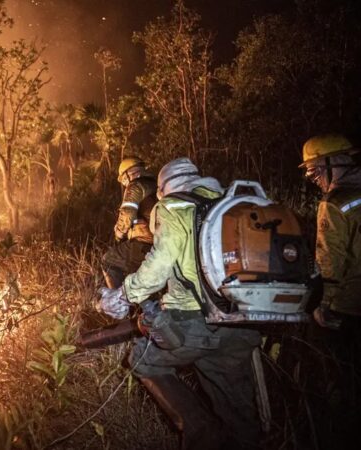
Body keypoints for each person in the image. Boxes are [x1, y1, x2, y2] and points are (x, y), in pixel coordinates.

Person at [97, 157, 261, 450]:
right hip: (243, 320)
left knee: (142, 360)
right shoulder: (229, 205)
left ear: (162, 189)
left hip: (195, 322)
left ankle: (200, 431)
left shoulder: (172, 206)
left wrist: (123, 295)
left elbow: (158, 266)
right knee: (236, 411)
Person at [300, 133, 361, 446]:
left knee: (335, 373)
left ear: (331, 162)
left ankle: (336, 432)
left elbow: (330, 261)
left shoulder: (336, 202)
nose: (314, 179)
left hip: (348, 306)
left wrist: (323, 305)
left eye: (314, 170)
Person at [100, 157, 157, 289]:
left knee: (108, 261)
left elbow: (127, 213)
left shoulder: (135, 185)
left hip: (145, 243)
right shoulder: (156, 184)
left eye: (124, 179)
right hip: (162, 243)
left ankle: (118, 304)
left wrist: (119, 234)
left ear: (128, 174)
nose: (124, 183)